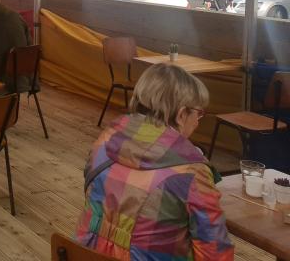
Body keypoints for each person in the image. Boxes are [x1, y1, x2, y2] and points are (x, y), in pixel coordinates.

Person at [76, 63, 233, 260]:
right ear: (182, 114)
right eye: (198, 112)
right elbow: (215, 252)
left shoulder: (105, 141)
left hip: (84, 255)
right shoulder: (192, 172)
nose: (198, 120)